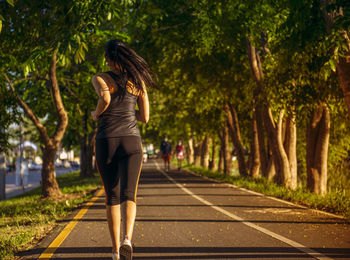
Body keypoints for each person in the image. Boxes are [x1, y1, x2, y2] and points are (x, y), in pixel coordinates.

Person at [91, 39, 156, 260]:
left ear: (108, 59)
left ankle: (115, 252)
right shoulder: (137, 81)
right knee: (130, 194)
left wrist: (96, 114)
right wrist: (129, 114)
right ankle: (127, 239)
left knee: (112, 197)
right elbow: (145, 118)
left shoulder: (100, 78)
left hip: (106, 140)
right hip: (131, 141)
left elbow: (105, 97)